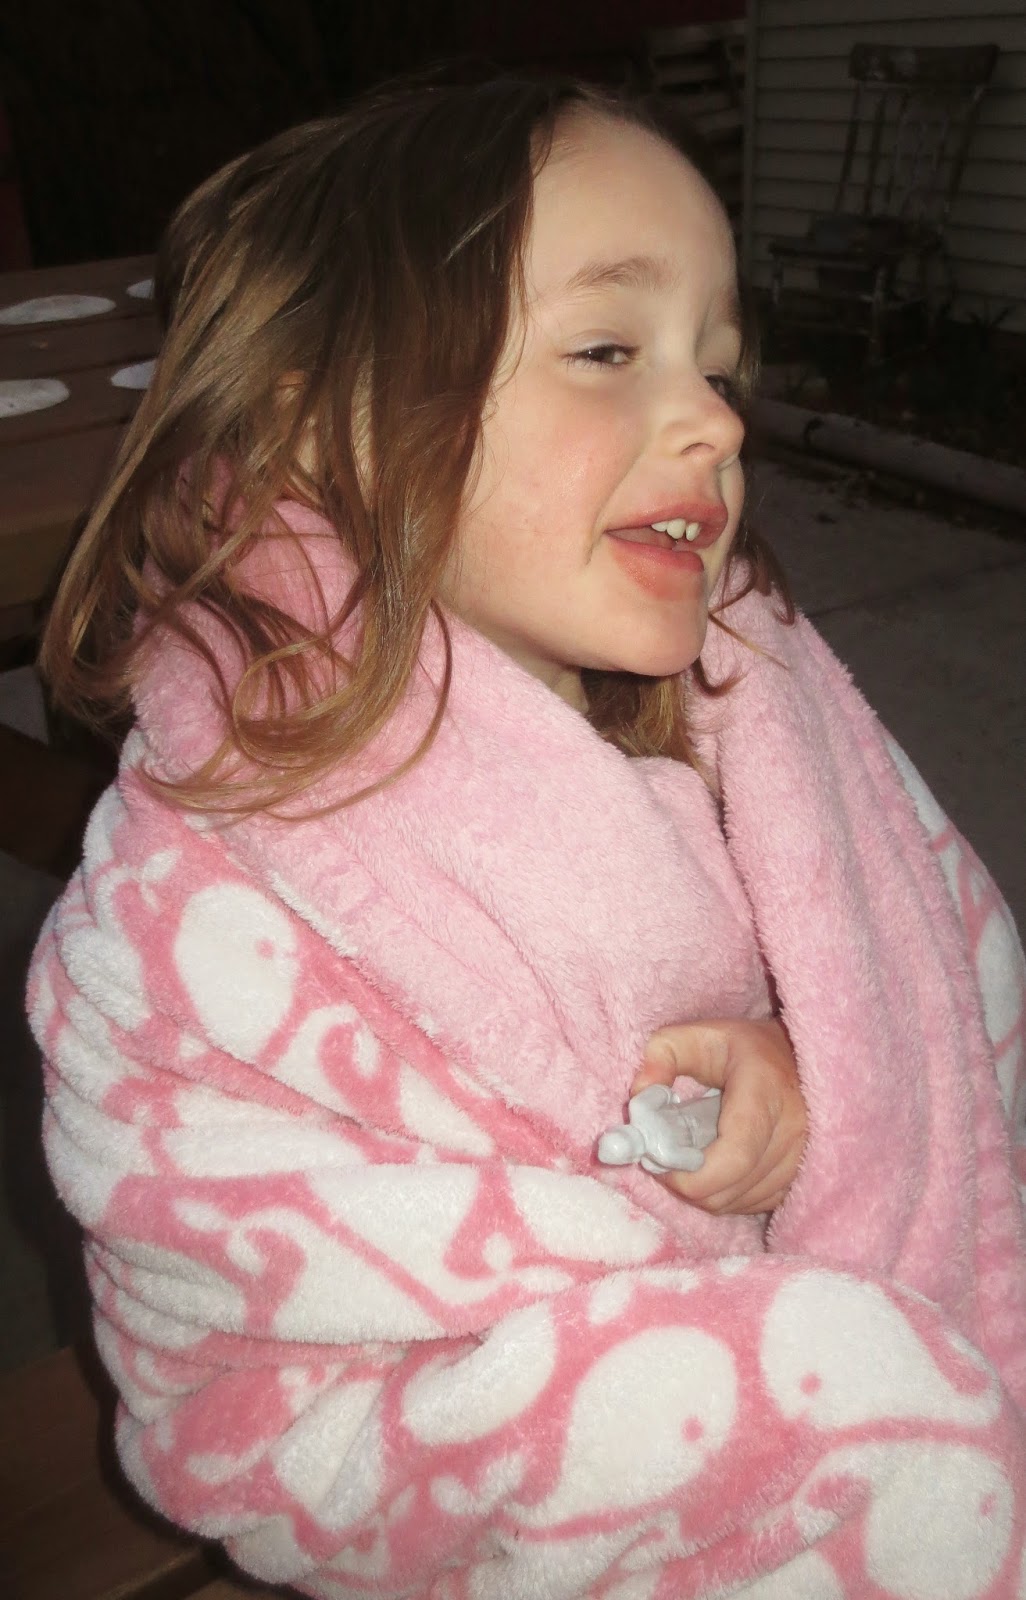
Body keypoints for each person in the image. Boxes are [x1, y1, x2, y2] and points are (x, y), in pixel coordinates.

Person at [28, 75, 1026, 1598]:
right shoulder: (199, 885)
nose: (713, 418)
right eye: (608, 351)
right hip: (439, 1449)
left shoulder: (752, 719)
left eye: (716, 366)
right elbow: (226, 1315)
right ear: (316, 421)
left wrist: (801, 1067)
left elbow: (907, 991)